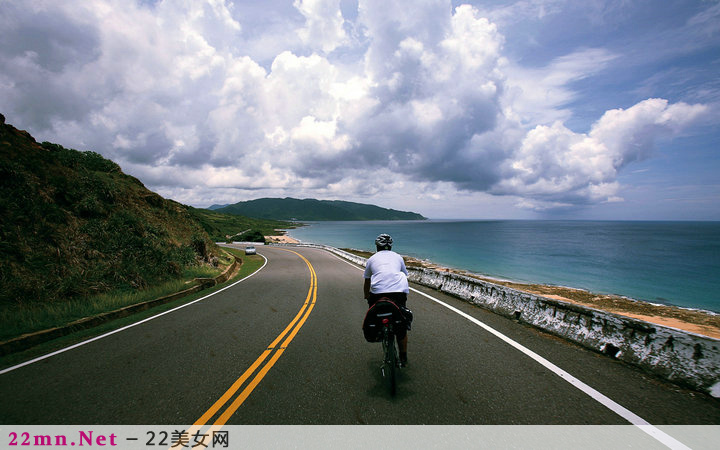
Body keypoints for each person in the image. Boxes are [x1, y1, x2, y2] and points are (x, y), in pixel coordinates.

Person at [364, 233, 410, 366]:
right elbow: (404, 274)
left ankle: (379, 331)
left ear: (377, 246)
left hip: (378, 293)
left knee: (375, 312)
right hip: (399, 292)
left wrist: (366, 296)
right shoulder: (398, 257)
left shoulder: (372, 259)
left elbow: (367, 280)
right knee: (401, 324)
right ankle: (403, 357)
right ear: (391, 246)